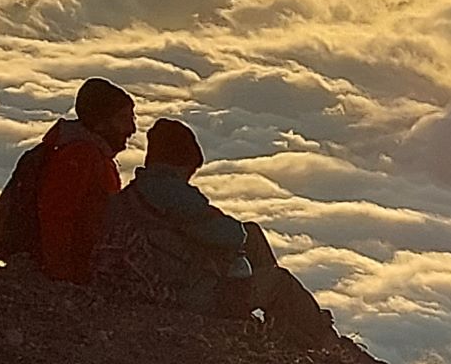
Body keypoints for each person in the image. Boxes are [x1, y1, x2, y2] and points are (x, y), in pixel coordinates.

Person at [92, 118, 334, 348]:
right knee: (279, 282)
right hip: (192, 294)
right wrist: (215, 218)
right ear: (179, 166)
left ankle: (283, 323)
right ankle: (319, 335)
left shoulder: (135, 194)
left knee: (253, 233)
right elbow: (231, 236)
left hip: (161, 281)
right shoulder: (174, 195)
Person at [35, 77, 136, 284]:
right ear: (100, 123)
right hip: (71, 274)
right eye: (123, 118)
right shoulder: (80, 157)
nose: (131, 129)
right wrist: (65, 278)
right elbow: (56, 217)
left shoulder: (92, 156)